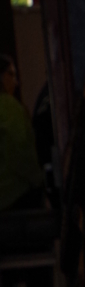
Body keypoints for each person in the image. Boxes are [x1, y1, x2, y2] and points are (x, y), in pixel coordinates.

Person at [0, 54, 46, 212]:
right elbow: (20, 152)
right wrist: (39, 179)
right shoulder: (9, 107)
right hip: (15, 194)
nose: (16, 82)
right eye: (11, 74)